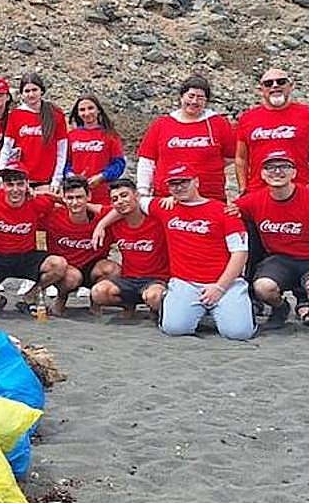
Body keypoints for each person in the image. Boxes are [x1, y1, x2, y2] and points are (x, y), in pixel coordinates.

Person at [120, 164, 253, 340]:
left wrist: (220, 287)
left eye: (184, 181)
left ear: (196, 182)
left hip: (225, 282)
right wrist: (101, 223)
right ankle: (193, 309)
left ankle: (229, 309)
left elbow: (240, 253)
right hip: (186, 282)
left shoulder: (224, 211)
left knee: (238, 333)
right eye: (173, 184)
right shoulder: (165, 207)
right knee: (174, 328)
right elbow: (130, 203)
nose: (179, 187)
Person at [0, 162, 68, 314]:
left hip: (26, 255)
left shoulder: (37, 202)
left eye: (20, 184)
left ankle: (30, 296)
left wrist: (43, 193)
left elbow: (66, 201)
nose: (15, 190)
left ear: (27, 185)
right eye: (10, 184)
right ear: (2, 186)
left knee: (59, 265)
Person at [233, 150, 309, 326]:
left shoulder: (305, 197)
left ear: (294, 173)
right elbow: (220, 212)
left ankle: (304, 305)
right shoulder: (253, 200)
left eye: (284, 167)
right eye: (270, 167)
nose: (277, 172)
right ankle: (281, 307)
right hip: (280, 260)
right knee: (263, 287)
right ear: (262, 174)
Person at [137, 75, 234, 201]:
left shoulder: (218, 123)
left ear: (206, 101)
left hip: (210, 198)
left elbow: (232, 157)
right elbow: (147, 161)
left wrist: (207, 167)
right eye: (191, 96)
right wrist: (143, 192)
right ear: (181, 97)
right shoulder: (162, 124)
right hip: (167, 199)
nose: (194, 101)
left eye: (200, 98)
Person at [89, 179, 169, 319]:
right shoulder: (115, 221)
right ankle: (128, 305)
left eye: (124, 195)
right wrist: (100, 226)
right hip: (129, 279)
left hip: (157, 279)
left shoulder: (157, 219)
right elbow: (87, 205)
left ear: (137, 196)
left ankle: (156, 309)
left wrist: (172, 199)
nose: (120, 201)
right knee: (98, 292)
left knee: (154, 296)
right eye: (115, 199)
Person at [40, 176, 115, 316]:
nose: (75, 202)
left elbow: (121, 210)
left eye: (80, 197)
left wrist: (101, 225)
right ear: (63, 197)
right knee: (72, 277)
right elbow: (28, 206)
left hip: (93, 268)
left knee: (112, 269)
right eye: (70, 198)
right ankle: (61, 298)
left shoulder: (104, 218)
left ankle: (95, 301)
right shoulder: (53, 217)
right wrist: (53, 197)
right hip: (67, 270)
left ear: (89, 196)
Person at [235, 68, 309, 195]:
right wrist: (243, 187)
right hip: (258, 192)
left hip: (300, 191)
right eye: (268, 83)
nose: (275, 86)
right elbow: (241, 158)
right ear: (261, 90)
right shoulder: (247, 118)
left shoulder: (306, 114)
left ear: (291, 86)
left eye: (281, 82)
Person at [0, 72, 68, 192]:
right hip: (21, 178)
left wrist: (57, 178)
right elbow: (7, 146)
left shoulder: (55, 114)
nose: (31, 94)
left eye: (34, 90)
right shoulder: (15, 114)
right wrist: (1, 170)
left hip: (46, 178)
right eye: (27, 91)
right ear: (21, 94)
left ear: (41, 90)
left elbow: (62, 148)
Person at [65, 94, 125, 205]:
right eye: (82, 110)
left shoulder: (110, 135)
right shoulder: (71, 136)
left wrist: (102, 176)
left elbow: (119, 163)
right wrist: (71, 176)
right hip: (77, 196)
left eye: (90, 108)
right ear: (77, 113)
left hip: (103, 194)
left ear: (98, 110)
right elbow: (66, 162)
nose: (87, 113)